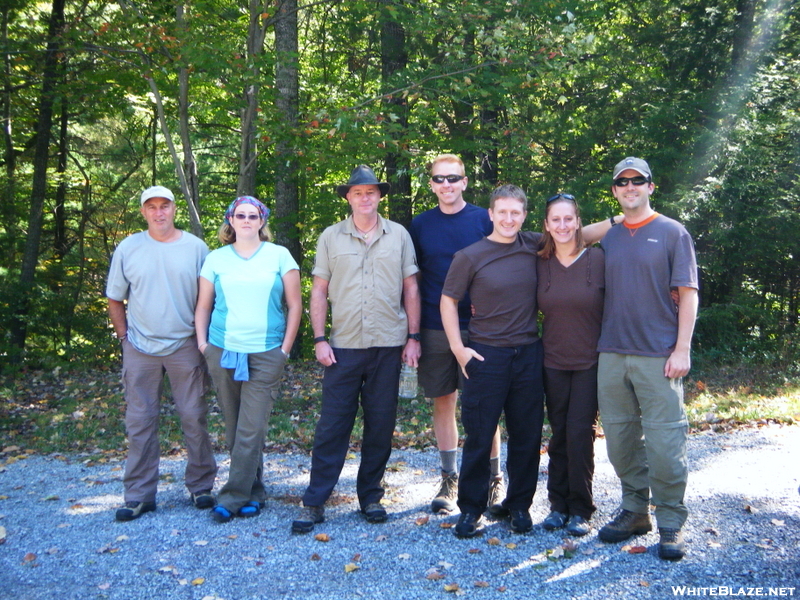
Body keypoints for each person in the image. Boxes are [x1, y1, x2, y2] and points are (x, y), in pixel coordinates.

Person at [291, 165, 421, 533]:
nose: (365, 198)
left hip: (389, 345)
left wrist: (413, 337)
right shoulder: (331, 237)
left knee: (380, 424)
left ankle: (371, 496)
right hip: (343, 347)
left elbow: (411, 288)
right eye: (357, 192)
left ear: (380, 196)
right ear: (347, 197)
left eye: (371, 192)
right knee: (333, 425)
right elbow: (318, 290)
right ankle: (315, 501)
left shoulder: (399, 236)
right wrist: (318, 338)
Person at [596, 157, 698, 561]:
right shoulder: (612, 234)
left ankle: (671, 522)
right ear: (615, 191)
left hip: (659, 355)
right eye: (622, 182)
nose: (630, 187)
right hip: (612, 352)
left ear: (651, 187)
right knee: (619, 442)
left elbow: (688, 294)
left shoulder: (673, 232)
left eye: (638, 181)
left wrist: (682, 349)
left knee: (665, 444)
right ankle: (635, 511)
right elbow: (567, 237)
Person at [106, 185, 217, 522]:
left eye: (164, 206)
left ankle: (201, 487)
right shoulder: (129, 248)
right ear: (143, 212)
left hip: (185, 344)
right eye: (151, 207)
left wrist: (202, 340)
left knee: (194, 417)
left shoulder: (196, 248)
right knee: (140, 421)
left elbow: (208, 298)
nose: (158, 213)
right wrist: (124, 337)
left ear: (174, 209)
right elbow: (115, 297)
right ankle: (139, 495)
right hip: (140, 347)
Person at [195, 196, 301, 523]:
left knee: (251, 427)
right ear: (230, 220)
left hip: (267, 352)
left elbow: (295, 305)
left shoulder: (279, 256)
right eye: (239, 215)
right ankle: (254, 491)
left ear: (261, 221)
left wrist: (284, 350)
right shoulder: (216, 259)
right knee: (234, 426)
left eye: (252, 216)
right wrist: (202, 344)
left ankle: (231, 497)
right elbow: (203, 306)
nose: (245, 221)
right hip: (223, 349)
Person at [409, 154, 505, 515]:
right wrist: (413, 332)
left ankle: (493, 481)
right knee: (443, 401)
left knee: (483, 407)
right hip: (435, 326)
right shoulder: (420, 225)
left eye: (453, 178)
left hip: (480, 327)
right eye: (439, 179)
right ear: (432, 185)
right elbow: (414, 281)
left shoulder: (484, 218)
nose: (446, 185)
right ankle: (449, 479)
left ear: (465, 182)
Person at [537, 194, 613, 537]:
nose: (563, 226)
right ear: (547, 225)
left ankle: (581, 508)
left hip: (589, 361)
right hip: (552, 360)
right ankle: (558, 505)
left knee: (580, 433)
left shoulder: (599, 259)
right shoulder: (539, 260)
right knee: (558, 434)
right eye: (556, 220)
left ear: (579, 222)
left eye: (569, 219)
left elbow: (627, 294)